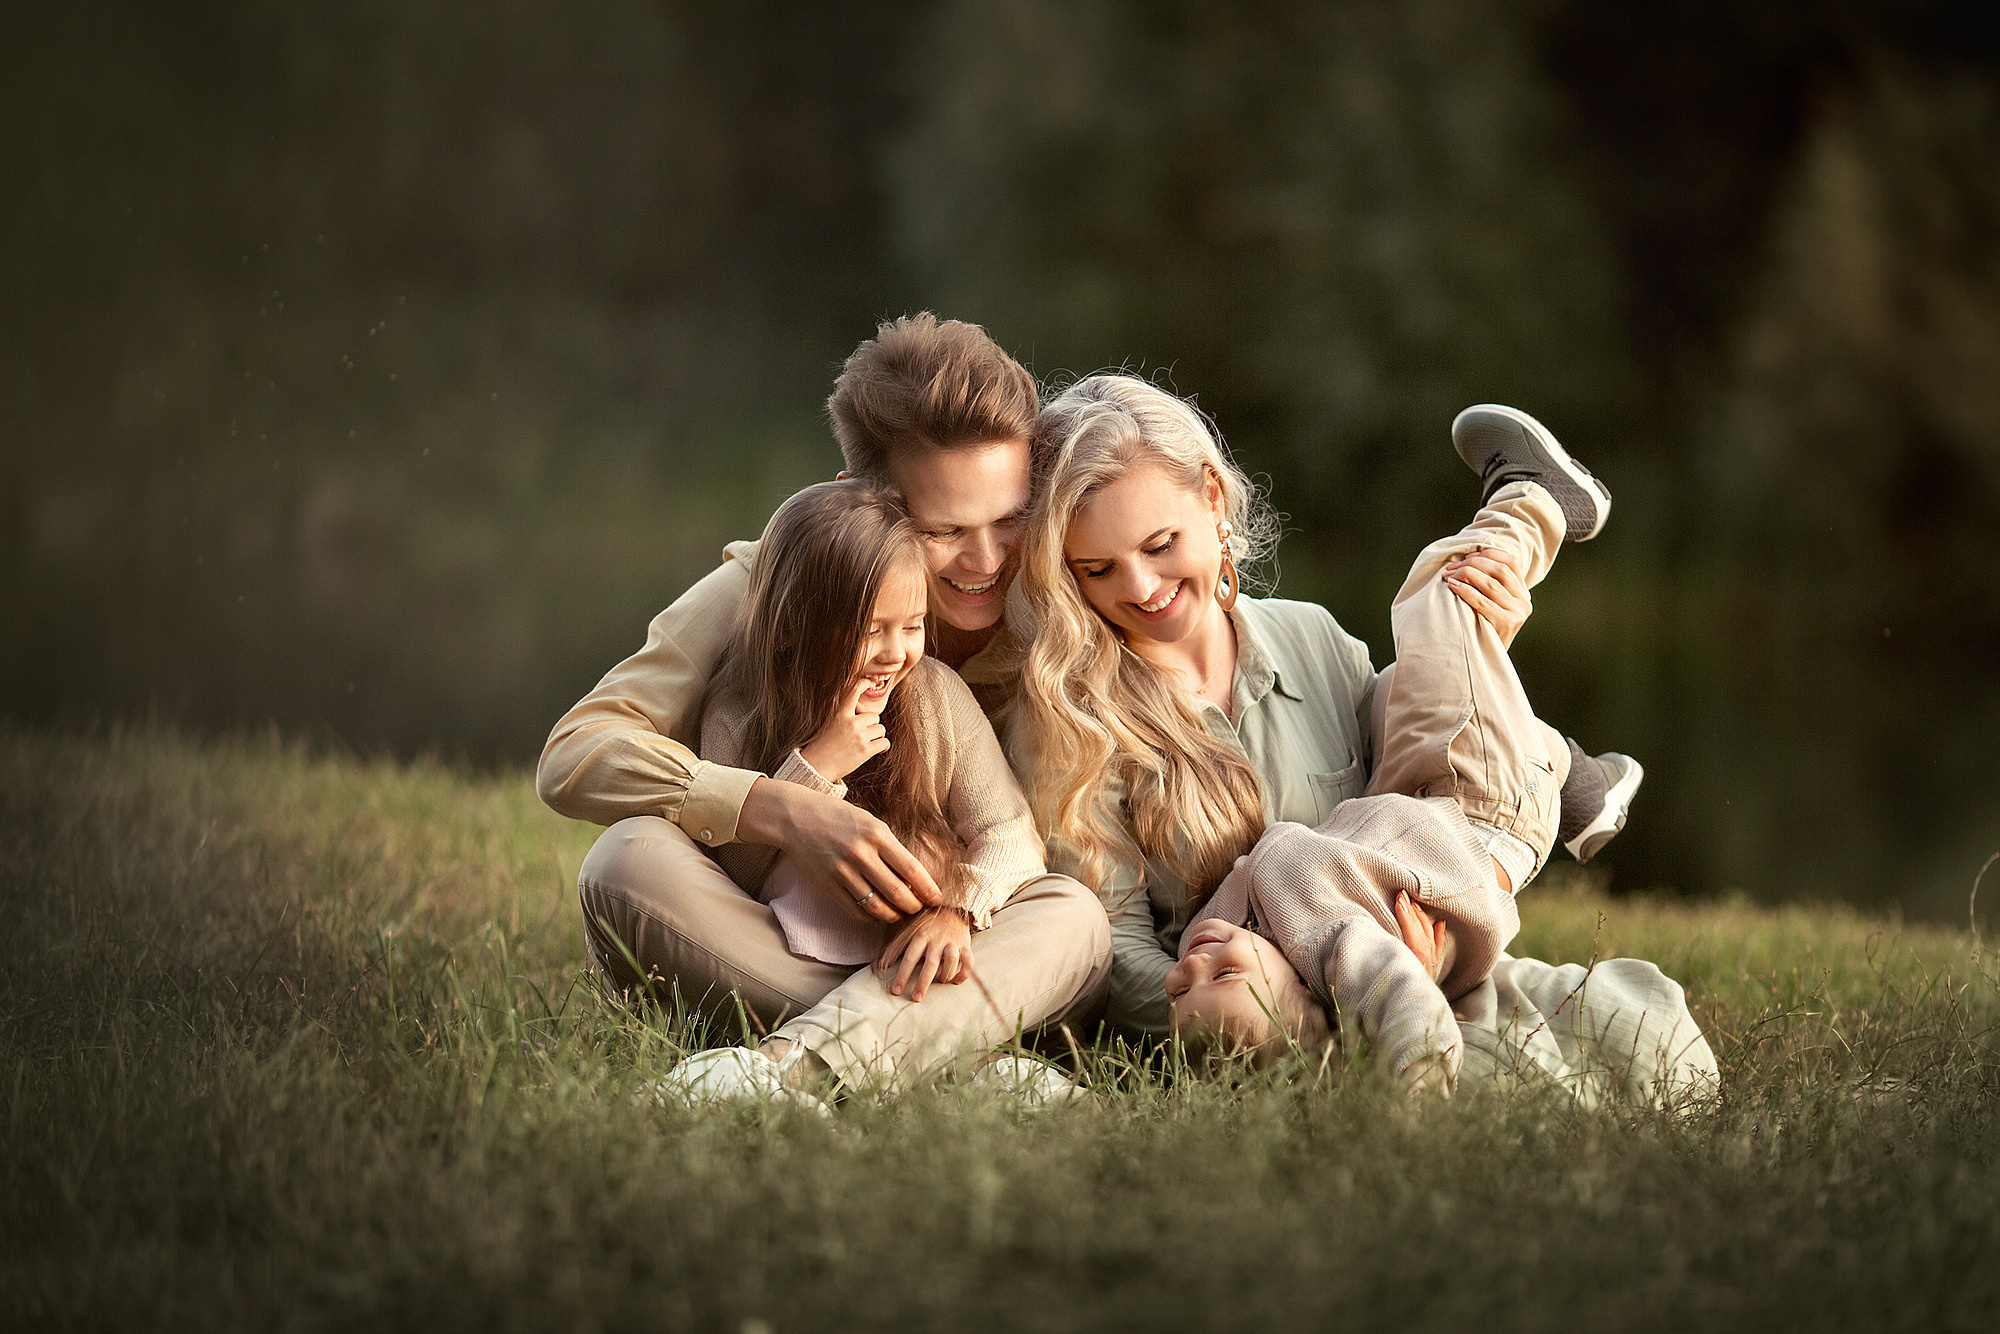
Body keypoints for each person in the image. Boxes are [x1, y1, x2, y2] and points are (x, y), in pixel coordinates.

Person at [1006, 377, 1715, 1104]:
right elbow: (1110, 957)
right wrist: (1277, 1011)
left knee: (1626, 1039)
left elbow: (1417, 799)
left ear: (1212, 500)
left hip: (1408, 971)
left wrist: (1480, 650)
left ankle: (1554, 753)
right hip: (1242, 1031)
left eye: (1161, 545)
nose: (1142, 586)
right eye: (1096, 569)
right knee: (1477, 1083)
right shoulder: (1069, 722)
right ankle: (1563, 765)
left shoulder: (1310, 636)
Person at [544, 315, 1112, 1103]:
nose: (986, 564)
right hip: (786, 939)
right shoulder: (767, 596)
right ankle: (947, 1055)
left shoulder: (1058, 597)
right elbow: (576, 752)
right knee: (625, 861)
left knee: (1072, 918)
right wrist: (780, 807)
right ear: (862, 506)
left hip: (966, 943)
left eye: (1009, 519)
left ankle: (785, 1068)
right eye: (944, 529)